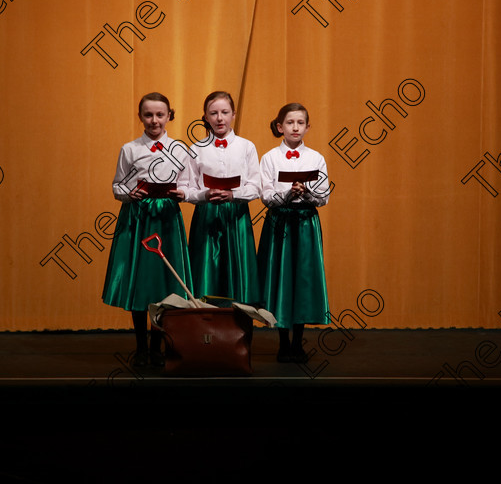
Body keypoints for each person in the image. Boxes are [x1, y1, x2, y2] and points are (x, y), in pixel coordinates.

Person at [101, 92, 193, 367]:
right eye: (149, 115)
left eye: (160, 115)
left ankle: (158, 346)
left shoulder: (179, 148)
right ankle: (141, 347)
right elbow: (118, 186)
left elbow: (188, 183)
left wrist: (181, 193)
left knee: (165, 280)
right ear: (141, 117)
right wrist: (131, 194)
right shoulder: (130, 149)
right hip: (139, 218)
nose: (154, 120)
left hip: (166, 218)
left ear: (169, 116)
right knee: (139, 280)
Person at [257, 103, 331, 362]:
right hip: (280, 221)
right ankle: (283, 342)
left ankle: (298, 342)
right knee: (280, 277)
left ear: (308, 127)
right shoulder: (269, 158)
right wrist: (288, 194)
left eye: (300, 122)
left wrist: (308, 193)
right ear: (280, 127)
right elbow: (265, 195)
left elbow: (324, 197)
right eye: (290, 122)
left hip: (306, 222)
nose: (295, 127)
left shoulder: (316, 158)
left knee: (302, 279)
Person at [180, 91, 261, 306]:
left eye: (224, 112)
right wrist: (204, 195)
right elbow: (185, 188)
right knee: (205, 272)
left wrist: (234, 195)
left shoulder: (246, 147)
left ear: (233, 114)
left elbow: (256, 186)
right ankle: (205, 330)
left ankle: (237, 332)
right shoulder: (196, 148)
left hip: (236, 215)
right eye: (213, 113)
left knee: (237, 272)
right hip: (207, 215)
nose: (219, 118)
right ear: (205, 117)